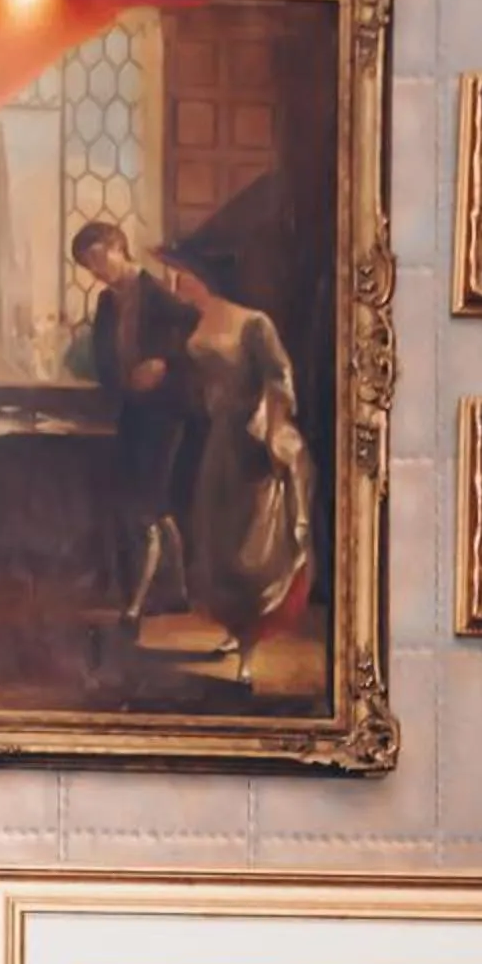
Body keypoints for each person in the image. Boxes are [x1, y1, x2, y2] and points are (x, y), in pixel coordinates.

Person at [156, 239, 314, 686]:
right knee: (217, 542)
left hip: (253, 441)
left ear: (202, 276)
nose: (174, 281)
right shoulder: (193, 323)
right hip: (216, 441)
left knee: (252, 550)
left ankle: (249, 649)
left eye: (180, 272)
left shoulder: (253, 323)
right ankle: (234, 631)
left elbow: (279, 377)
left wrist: (274, 430)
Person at [69, 219, 215, 638]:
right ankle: (180, 588)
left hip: (168, 411)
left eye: (98, 258)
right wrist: (121, 381)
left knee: (145, 508)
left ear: (119, 248)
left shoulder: (161, 295)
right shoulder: (105, 303)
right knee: (147, 504)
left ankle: (135, 605)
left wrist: (164, 364)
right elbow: (102, 360)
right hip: (132, 413)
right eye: (87, 264)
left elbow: (200, 339)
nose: (96, 270)